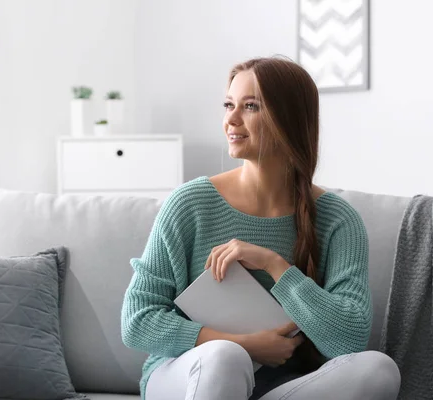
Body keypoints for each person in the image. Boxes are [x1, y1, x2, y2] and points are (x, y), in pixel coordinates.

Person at [121, 56, 401, 400]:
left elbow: (348, 339)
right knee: (226, 357)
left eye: (250, 106)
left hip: (286, 387)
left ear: (288, 118)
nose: (231, 120)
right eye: (228, 105)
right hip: (187, 376)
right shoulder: (190, 204)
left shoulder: (338, 220)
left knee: (378, 369)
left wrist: (275, 265)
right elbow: (137, 321)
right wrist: (246, 345)